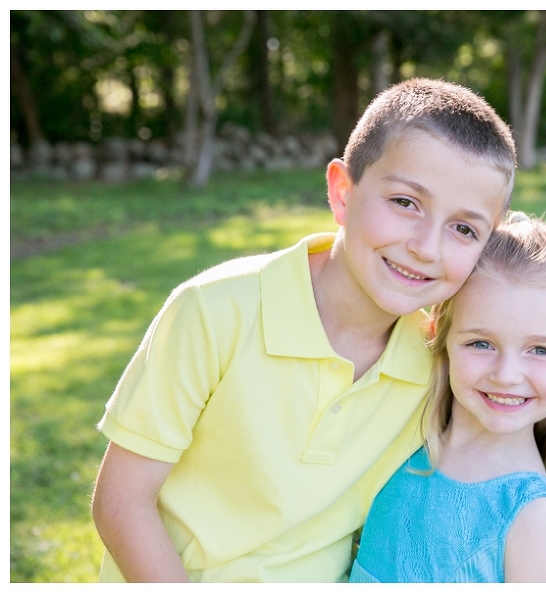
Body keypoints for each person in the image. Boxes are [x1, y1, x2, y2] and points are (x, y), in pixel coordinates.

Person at [90, 78, 516, 582]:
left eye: (464, 229)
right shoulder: (214, 312)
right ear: (341, 192)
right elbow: (121, 503)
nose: (427, 247)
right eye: (405, 202)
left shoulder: (438, 360)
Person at [349, 213, 546, 583]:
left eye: (540, 350)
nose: (506, 375)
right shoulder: (401, 431)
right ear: (439, 339)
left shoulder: (531, 519)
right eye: (480, 343)